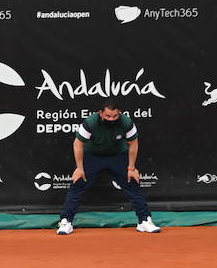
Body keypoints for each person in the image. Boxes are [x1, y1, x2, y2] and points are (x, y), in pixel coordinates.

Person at [57, 99, 161, 235]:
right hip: (93, 156)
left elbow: (133, 143)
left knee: (133, 183)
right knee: (78, 183)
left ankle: (144, 221)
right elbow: (78, 144)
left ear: (119, 113)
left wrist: (131, 168)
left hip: (117, 156)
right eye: (108, 116)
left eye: (115, 116)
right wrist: (79, 168)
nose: (111, 119)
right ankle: (66, 222)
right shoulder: (90, 123)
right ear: (100, 113)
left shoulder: (126, 123)